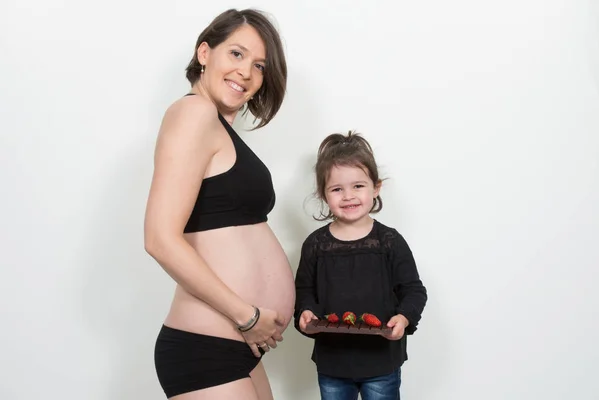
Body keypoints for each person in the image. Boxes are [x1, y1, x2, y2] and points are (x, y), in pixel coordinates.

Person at [143, 8, 295, 400]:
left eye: (259, 65)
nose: (247, 72)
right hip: (207, 347)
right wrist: (247, 316)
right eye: (237, 54)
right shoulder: (193, 112)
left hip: (239, 346)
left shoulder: (217, 126)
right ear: (204, 53)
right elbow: (160, 239)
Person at [294, 131, 428, 400]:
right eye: (336, 189)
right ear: (323, 194)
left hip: (381, 362)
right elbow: (304, 290)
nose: (348, 196)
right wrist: (305, 312)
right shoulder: (315, 245)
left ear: (375, 187)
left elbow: (414, 290)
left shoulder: (389, 242)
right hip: (332, 363)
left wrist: (404, 317)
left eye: (358, 186)